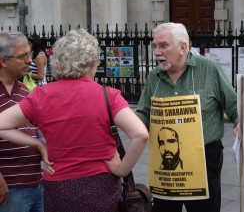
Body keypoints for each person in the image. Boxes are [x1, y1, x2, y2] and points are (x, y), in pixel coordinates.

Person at [0, 28, 149, 212]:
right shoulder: (108, 95)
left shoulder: (41, 96)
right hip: (101, 186)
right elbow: (141, 134)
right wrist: (122, 170)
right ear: (90, 63)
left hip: (58, 187)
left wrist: (38, 144)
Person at [136, 22, 240, 212]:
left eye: (163, 46)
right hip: (165, 163)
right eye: (155, 46)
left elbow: (233, 104)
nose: (157, 52)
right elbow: (143, 112)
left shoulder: (209, 69)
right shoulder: (153, 77)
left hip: (204, 158)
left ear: (183, 47)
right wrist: (129, 127)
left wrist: (239, 122)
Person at [0, 31, 50, 212]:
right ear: (4, 61)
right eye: (23, 56)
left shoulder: (24, 90)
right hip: (9, 188)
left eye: (29, 54)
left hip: (37, 183)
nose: (30, 60)